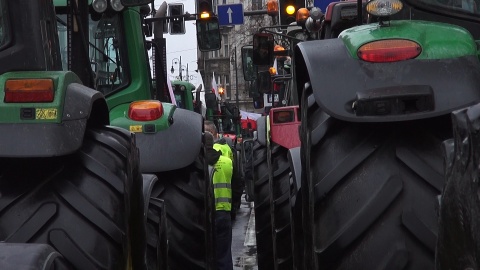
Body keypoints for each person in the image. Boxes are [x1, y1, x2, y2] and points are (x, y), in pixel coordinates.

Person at [204, 131, 234, 270]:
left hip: (205, 215)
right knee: (224, 256)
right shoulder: (227, 162)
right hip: (224, 212)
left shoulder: (198, 164)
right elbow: (237, 185)